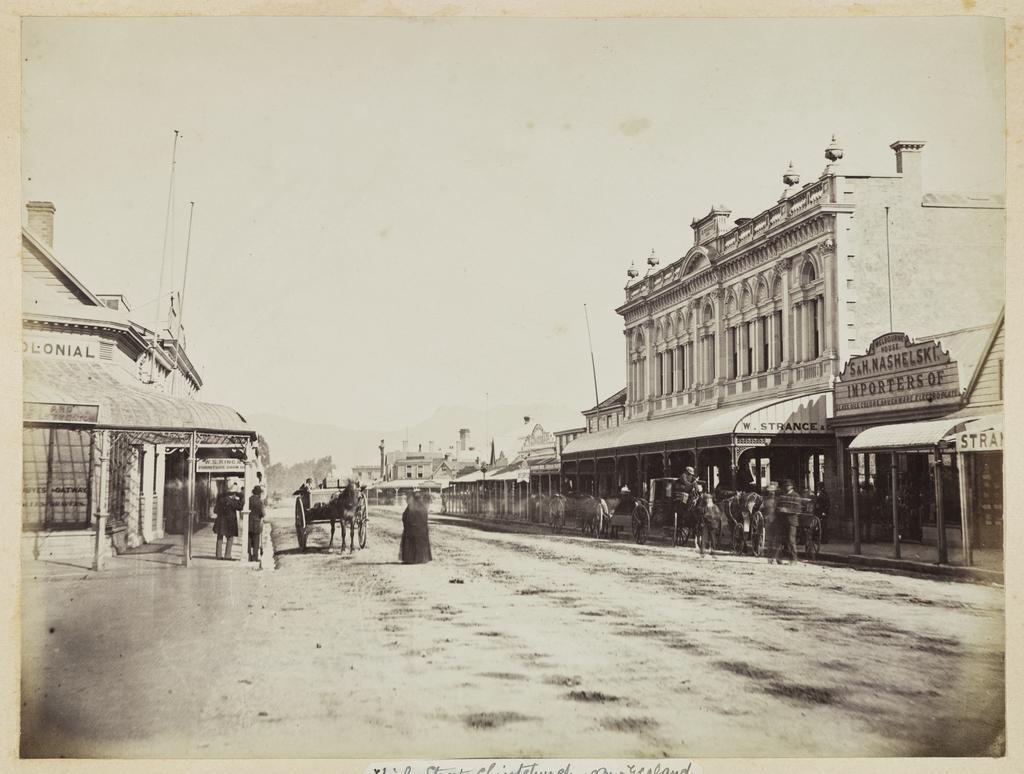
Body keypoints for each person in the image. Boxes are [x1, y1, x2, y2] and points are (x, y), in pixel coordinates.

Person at [771, 479, 802, 565]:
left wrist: (786, 510)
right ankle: (778, 558)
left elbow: (798, 510)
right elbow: (777, 507)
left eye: (788, 486)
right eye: (785, 486)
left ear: (791, 486)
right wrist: (778, 510)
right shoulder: (783, 496)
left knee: (791, 540)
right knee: (780, 540)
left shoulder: (796, 496)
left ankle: (794, 559)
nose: (786, 487)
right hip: (782, 521)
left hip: (792, 522)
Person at [399, 490, 432, 564]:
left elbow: (405, 517)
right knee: (421, 543)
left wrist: (407, 526)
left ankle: (410, 559)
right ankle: (421, 559)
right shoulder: (423, 508)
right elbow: (425, 519)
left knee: (410, 544)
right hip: (422, 531)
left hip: (411, 530)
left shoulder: (411, 507)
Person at [214, 481, 243, 560]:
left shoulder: (220, 499)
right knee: (230, 539)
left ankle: (218, 555)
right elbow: (240, 507)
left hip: (221, 521)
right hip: (230, 522)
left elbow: (215, 510)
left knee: (220, 538)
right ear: (233, 493)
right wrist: (240, 496)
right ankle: (227, 555)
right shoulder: (233, 502)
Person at [248, 485, 266, 561]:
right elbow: (262, 513)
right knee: (256, 541)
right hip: (256, 523)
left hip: (249, 522)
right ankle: (255, 557)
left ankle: (249, 555)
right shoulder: (259, 502)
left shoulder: (249, 500)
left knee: (249, 539)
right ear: (259, 493)